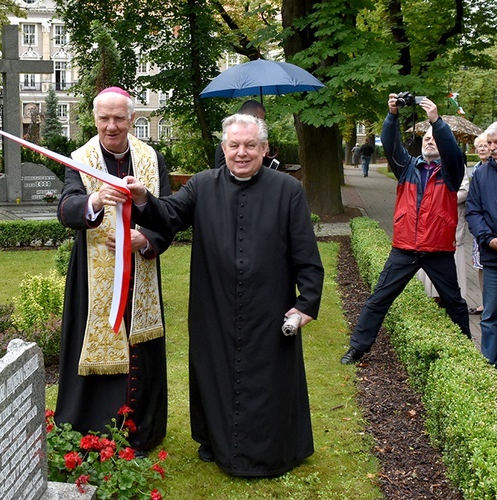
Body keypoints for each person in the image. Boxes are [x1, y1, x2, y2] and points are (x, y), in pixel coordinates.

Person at [124, 113, 324, 477]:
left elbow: (306, 254)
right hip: (213, 303)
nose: (242, 153)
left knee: (267, 380)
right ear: (224, 147)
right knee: (214, 373)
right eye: (234, 145)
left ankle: (273, 451)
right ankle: (214, 442)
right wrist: (143, 198)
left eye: (250, 145)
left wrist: (305, 302)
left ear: (264, 149)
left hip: (269, 305)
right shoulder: (202, 185)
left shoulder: (288, 190)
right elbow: (168, 214)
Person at [54, 86, 172, 454]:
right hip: (94, 280)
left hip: (141, 275)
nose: (111, 126)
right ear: (94, 119)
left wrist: (145, 239)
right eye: (104, 118)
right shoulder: (81, 158)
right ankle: (94, 430)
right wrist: (93, 200)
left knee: (141, 349)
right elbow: (65, 208)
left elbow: (169, 216)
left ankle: (142, 430)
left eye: (119, 118)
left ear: (132, 119)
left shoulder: (151, 158)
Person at [341, 95, 471, 365]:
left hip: (438, 250)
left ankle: (467, 349)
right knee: (379, 299)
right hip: (405, 248)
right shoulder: (407, 167)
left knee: (455, 303)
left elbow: (453, 151)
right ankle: (357, 348)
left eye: (434, 138)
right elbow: (391, 143)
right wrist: (392, 115)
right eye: (426, 138)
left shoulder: (451, 171)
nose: (430, 140)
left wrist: (437, 121)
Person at [465, 121, 497, 372]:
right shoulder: (481, 173)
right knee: (490, 317)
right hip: (493, 259)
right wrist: (488, 240)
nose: (490, 147)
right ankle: (491, 370)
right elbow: (473, 212)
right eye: (489, 143)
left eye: (496, 143)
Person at [417, 174, 469, 301]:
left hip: (450, 225)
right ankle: (429, 296)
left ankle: (451, 300)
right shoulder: (423, 166)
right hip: (428, 226)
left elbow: (464, 191)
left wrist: (440, 199)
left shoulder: (456, 164)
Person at [213, 100, 277, 170]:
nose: (241, 153)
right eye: (260, 119)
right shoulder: (229, 140)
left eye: (250, 145)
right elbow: (225, 169)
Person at [468, 133, 489, 315]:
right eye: (479, 146)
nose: (482, 149)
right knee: (481, 266)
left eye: (485, 146)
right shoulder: (475, 169)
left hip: (495, 225)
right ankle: (484, 302)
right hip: (480, 225)